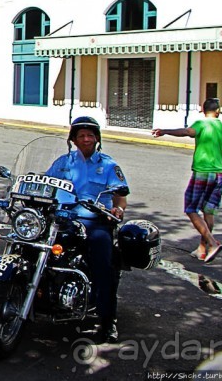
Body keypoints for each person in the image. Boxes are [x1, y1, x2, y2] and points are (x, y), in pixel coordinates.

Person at [46, 116, 128, 343]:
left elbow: (120, 196)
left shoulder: (109, 165)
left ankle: (107, 319)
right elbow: (45, 185)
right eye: (81, 135)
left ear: (97, 138)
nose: (85, 139)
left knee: (103, 261)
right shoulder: (63, 162)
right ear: (73, 139)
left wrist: (118, 210)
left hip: (95, 220)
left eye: (90, 135)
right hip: (63, 218)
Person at [152, 98, 222, 264]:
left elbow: (187, 132)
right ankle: (202, 250)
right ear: (218, 111)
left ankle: (212, 243)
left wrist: (165, 131)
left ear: (203, 111)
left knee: (191, 208)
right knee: (208, 211)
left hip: (202, 172)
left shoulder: (201, 124)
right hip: (218, 174)